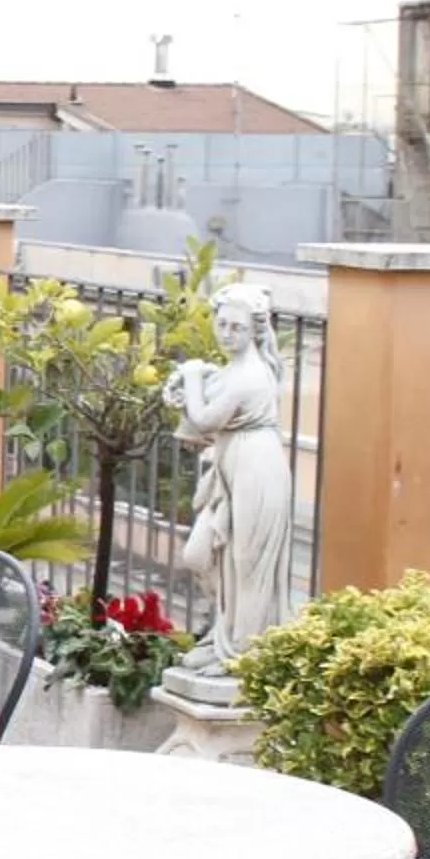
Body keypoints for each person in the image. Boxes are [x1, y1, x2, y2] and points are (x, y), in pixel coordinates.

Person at [167, 284, 292, 675]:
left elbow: (204, 419)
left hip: (257, 468)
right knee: (203, 556)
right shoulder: (230, 371)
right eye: (221, 324)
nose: (226, 333)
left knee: (248, 563)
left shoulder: (250, 375)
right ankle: (223, 636)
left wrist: (189, 374)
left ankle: (242, 653)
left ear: (254, 330)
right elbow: (194, 420)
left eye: (236, 327)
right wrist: (191, 382)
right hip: (231, 465)